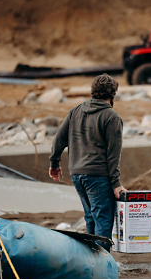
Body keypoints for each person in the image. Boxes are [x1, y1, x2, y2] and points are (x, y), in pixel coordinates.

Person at [49, 74, 126, 252]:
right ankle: (103, 264)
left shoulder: (75, 111)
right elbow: (113, 155)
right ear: (112, 93)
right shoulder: (112, 117)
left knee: (91, 217)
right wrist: (116, 184)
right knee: (103, 220)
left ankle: (91, 259)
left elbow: (58, 139)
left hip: (77, 174)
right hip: (98, 176)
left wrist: (54, 163)